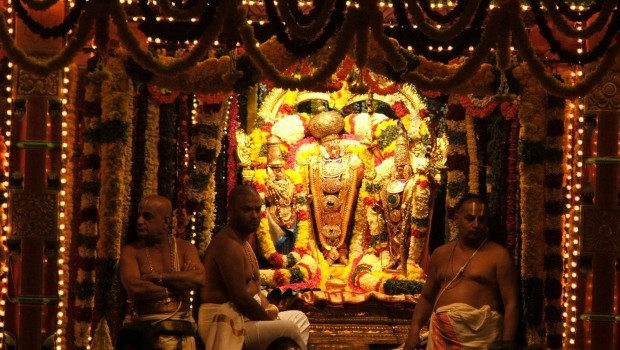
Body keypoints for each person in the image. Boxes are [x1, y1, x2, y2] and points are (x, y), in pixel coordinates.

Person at [198, 185, 310, 350]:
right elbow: (241, 299)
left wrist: (272, 314)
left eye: (258, 209)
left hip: (244, 318)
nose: (254, 215)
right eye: (247, 210)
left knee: (299, 319)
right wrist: (270, 321)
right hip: (221, 323)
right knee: (289, 328)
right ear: (230, 210)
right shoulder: (228, 244)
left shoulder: (243, 243)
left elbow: (255, 291)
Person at [402, 193, 519, 350]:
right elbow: (427, 297)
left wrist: (507, 343)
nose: (476, 224)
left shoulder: (499, 256)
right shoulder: (440, 254)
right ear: (456, 219)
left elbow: (511, 303)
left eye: (481, 219)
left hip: (482, 339)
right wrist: (413, 331)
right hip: (441, 338)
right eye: (469, 218)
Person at [120, 195, 206, 350]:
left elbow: (199, 278)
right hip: (147, 338)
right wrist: (181, 285)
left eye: (147, 217)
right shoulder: (131, 252)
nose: (139, 221)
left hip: (183, 333)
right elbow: (135, 289)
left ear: (166, 222)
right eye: (139, 215)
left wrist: (159, 277)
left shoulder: (185, 248)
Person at [307, 109, 364, 265]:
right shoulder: (314, 162)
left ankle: (343, 250)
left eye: (335, 144)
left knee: (347, 218)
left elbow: (359, 178)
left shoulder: (352, 159)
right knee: (323, 218)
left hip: (345, 198)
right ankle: (326, 250)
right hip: (322, 200)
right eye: (328, 145)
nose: (333, 148)